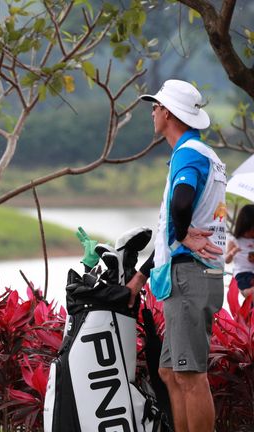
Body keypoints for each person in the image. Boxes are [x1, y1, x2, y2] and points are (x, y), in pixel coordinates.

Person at [126, 80, 226, 432]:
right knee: (170, 372)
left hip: (191, 276)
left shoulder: (188, 154)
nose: (152, 113)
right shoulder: (203, 155)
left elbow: (180, 203)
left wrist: (183, 233)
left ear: (167, 112)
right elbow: (169, 227)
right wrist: (141, 276)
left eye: (155, 107)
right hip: (194, 274)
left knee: (189, 375)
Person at [225, 204, 254, 298]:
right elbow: (226, 260)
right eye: (250, 229)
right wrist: (233, 252)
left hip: (252, 273)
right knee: (248, 292)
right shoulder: (235, 240)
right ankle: (247, 293)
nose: (251, 233)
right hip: (241, 273)